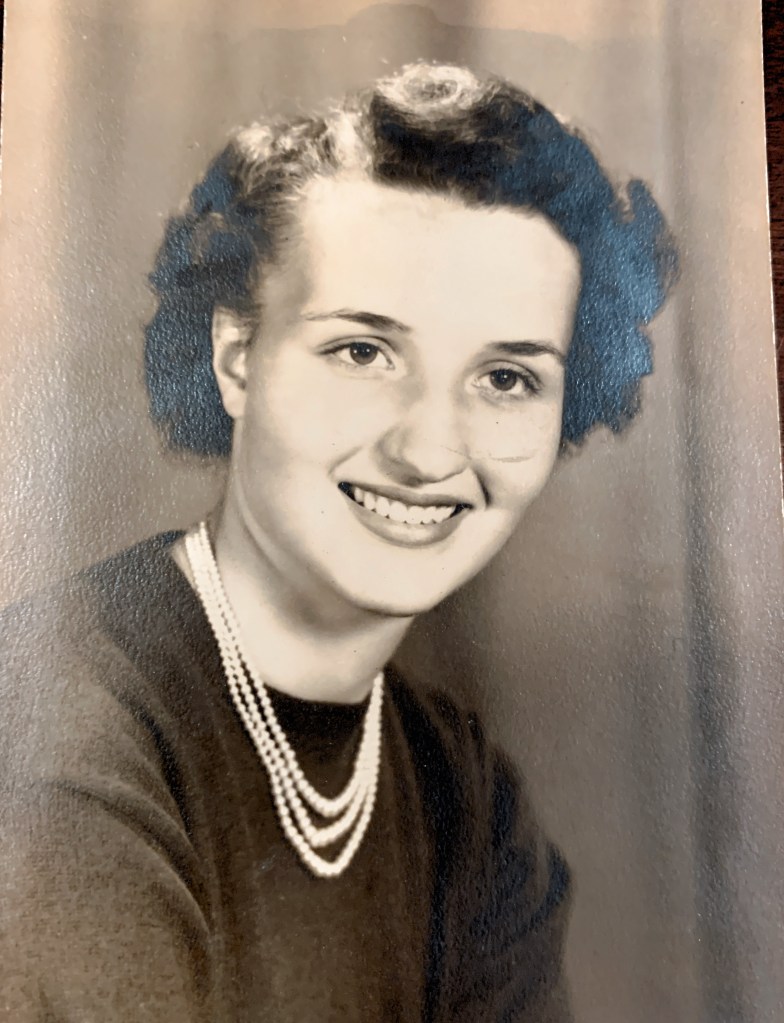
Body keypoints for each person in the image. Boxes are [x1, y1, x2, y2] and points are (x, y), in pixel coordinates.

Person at [0, 62, 677, 1022]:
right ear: (237, 358)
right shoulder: (55, 733)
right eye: (363, 351)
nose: (429, 452)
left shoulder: (462, 788)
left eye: (507, 378)